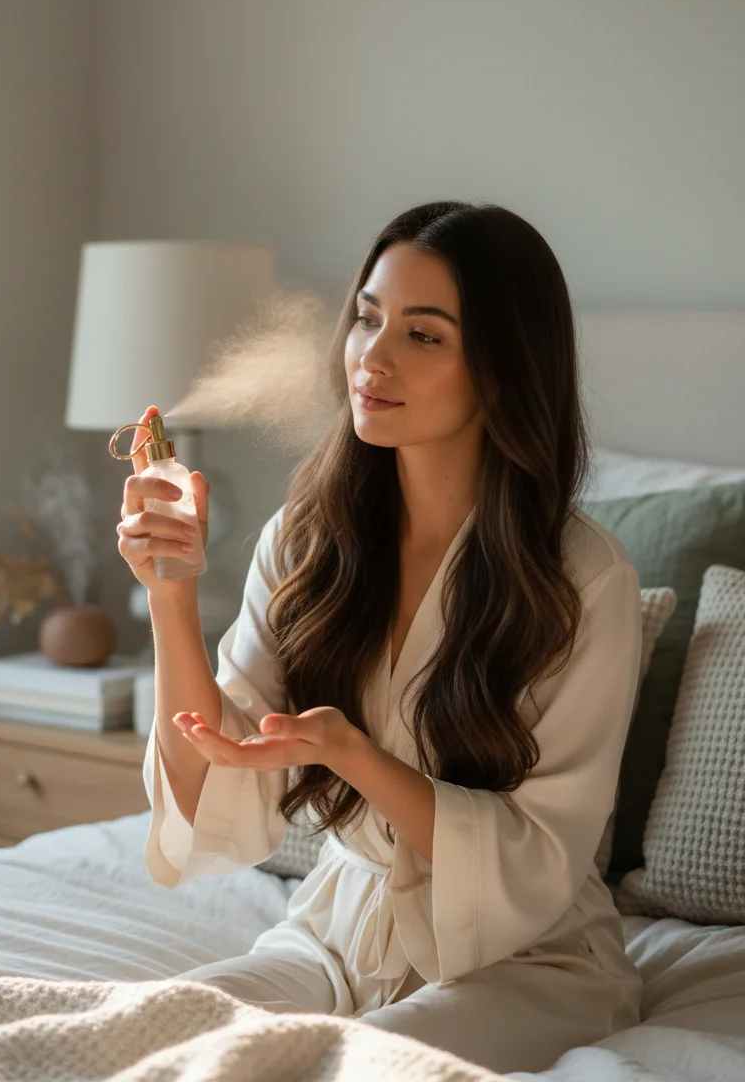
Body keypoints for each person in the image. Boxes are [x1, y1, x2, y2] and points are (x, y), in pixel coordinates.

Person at [116, 201, 644, 1075]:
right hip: (341, 928)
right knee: (173, 1033)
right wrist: (171, 597)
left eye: (424, 335)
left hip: (531, 958)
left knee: (373, 1067)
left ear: (504, 372)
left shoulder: (585, 582)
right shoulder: (304, 539)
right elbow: (215, 787)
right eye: (367, 318)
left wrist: (356, 758)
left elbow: (542, 856)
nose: (374, 356)